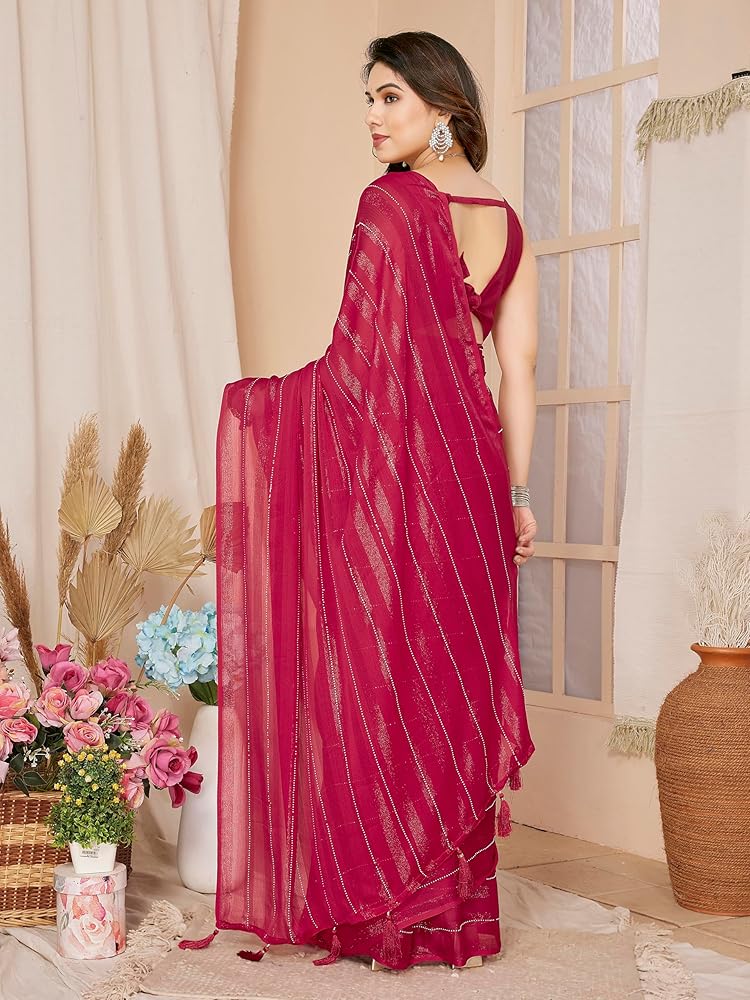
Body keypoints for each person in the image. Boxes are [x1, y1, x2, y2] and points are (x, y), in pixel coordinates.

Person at [189, 30, 539, 974]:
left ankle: (385, 911)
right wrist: (516, 497)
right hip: (471, 479)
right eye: (371, 99)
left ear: (444, 107)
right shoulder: (509, 224)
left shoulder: (388, 205)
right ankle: (453, 920)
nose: (374, 118)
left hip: (400, 478)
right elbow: (519, 375)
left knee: (383, 670)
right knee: (447, 677)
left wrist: (258, 408)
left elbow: (353, 368)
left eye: (391, 98)